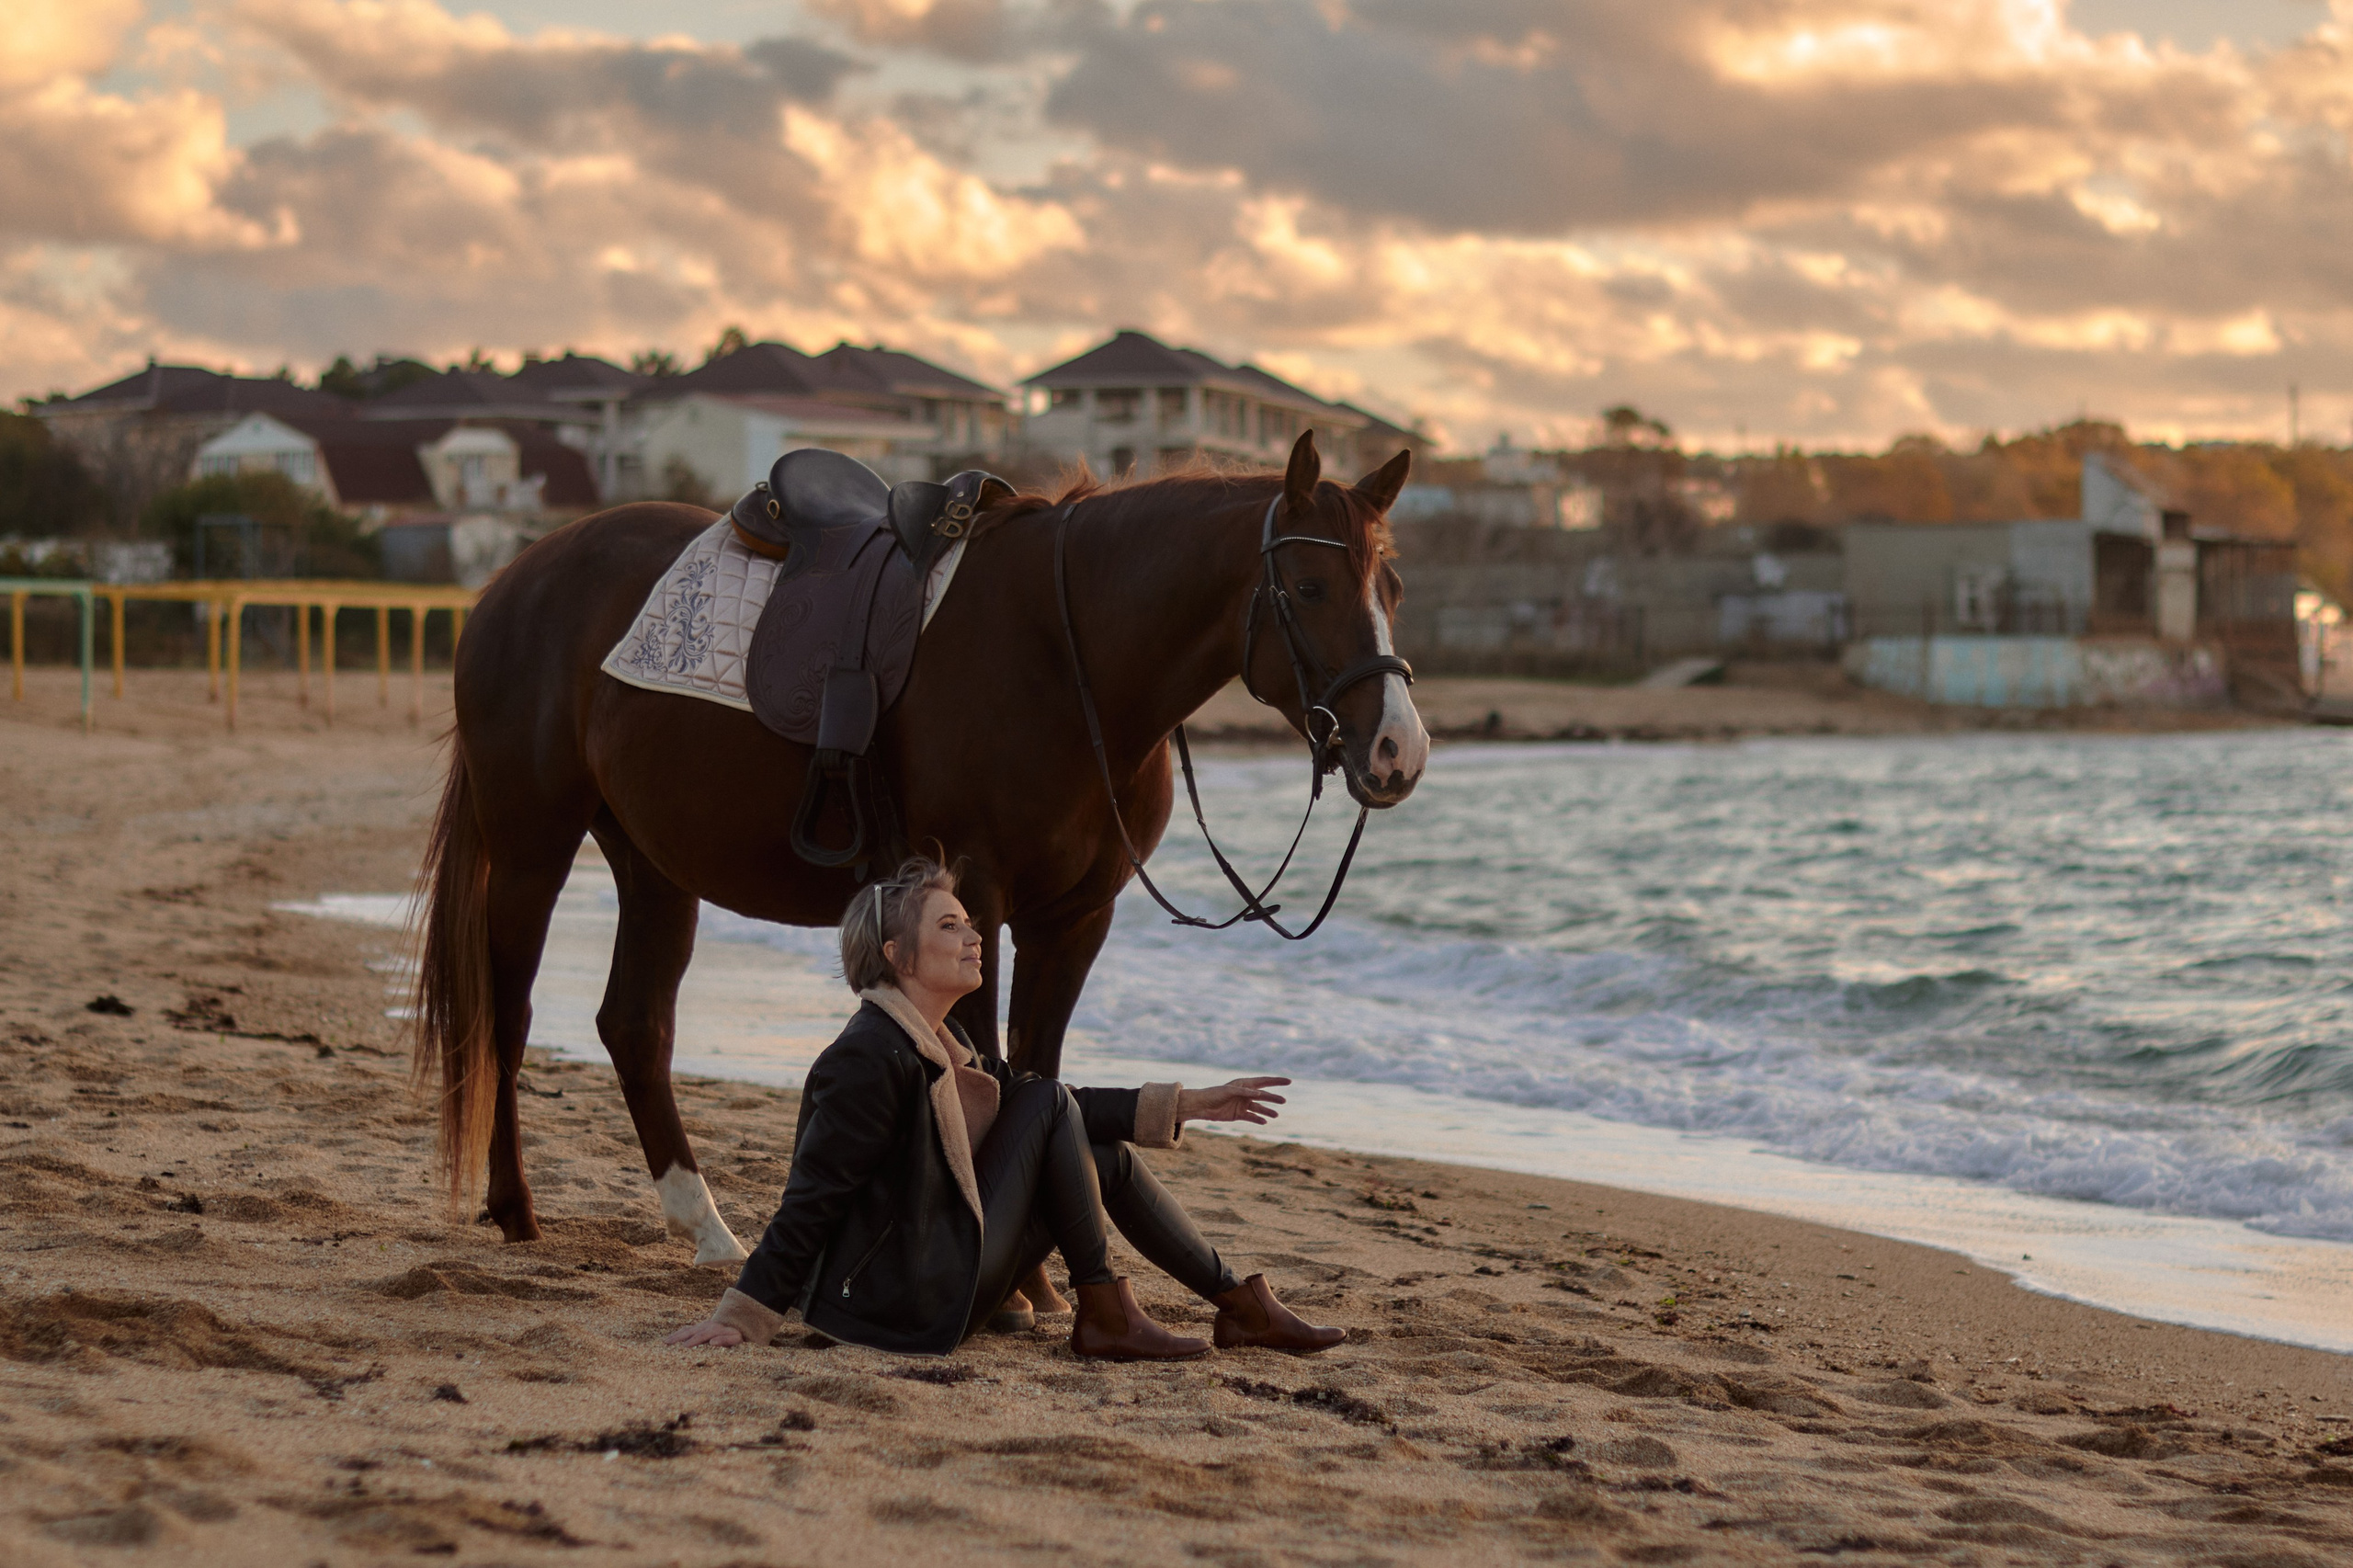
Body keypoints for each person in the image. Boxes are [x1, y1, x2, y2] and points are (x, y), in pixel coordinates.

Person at [666, 858, 1345, 1360]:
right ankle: (1103, 1306)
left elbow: (1054, 1114)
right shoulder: (868, 1057)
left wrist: (1188, 1103)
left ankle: (1238, 1306)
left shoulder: (940, 1039)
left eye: (969, 921)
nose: (974, 934)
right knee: (1046, 1099)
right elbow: (810, 1200)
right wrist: (746, 1314)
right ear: (897, 955)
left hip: (944, 1267)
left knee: (1093, 1148)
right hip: (900, 1303)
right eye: (950, 924)